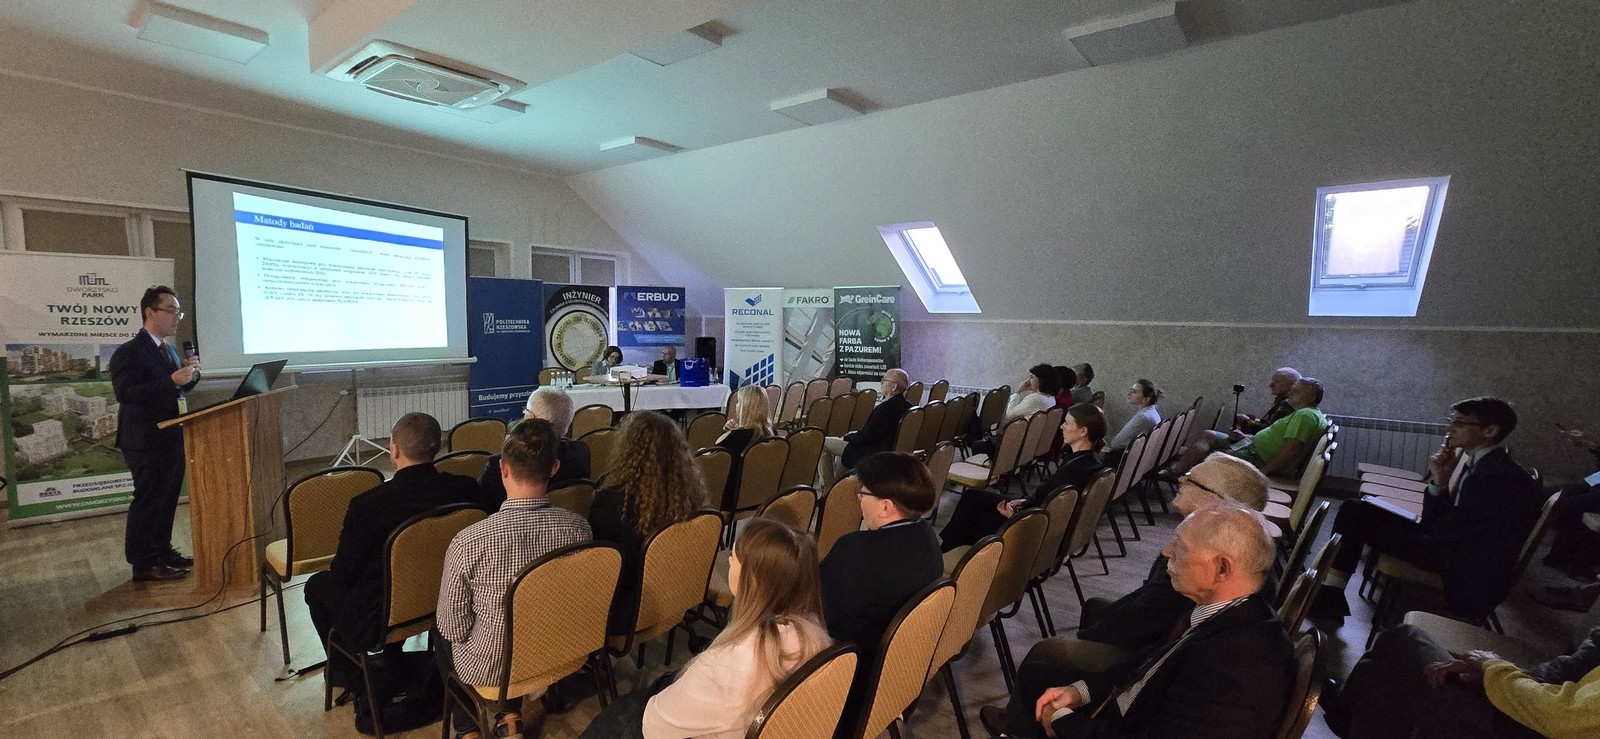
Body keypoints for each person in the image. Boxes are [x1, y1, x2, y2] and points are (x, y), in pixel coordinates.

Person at [987, 505, 1294, 739]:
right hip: (1131, 707)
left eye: (1181, 547)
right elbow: (1148, 667)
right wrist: (1080, 691)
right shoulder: (1231, 611)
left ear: (1222, 568)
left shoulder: (1237, 663)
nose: (1167, 551)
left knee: (1044, 687)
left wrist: (1062, 721)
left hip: (1128, 723)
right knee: (1036, 674)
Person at [577, 518, 832, 739]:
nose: (728, 561)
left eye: (733, 559)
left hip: (665, 721)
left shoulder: (724, 666)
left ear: (751, 580)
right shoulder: (816, 638)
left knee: (615, 717)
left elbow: (655, 727)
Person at [1312, 397, 1545, 622]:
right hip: (1450, 544)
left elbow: (1444, 530)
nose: (1450, 429)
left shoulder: (1492, 476)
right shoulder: (1486, 463)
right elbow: (1446, 521)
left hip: (1462, 564)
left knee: (1356, 516)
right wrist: (1439, 481)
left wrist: (1433, 500)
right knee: (1356, 509)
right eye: (1451, 421)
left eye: (1460, 423)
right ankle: (1331, 595)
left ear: (1490, 430)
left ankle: (1330, 597)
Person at [436, 419, 592, 739]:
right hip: (562, 651)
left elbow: (454, 629)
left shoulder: (468, 542)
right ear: (554, 469)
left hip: (494, 669)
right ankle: (509, 715)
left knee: (440, 630)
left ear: (503, 469)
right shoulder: (579, 529)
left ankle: (469, 728)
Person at [304, 412, 481, 682]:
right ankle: (392, 658)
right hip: (450, 600)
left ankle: (346, 671)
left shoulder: (368, 505)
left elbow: (342, 576)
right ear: (437, 448)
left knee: (317, 585)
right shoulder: (467, 489)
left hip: (383, 618)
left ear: (394, 450)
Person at [1074, 454, 1270, 658]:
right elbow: (1149, 597)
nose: (1181, 479)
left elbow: (1147, 618)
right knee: (1094, 607)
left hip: (1146, 651)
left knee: (1056, 649)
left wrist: (1089, 637)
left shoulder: (1202, 558)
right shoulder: (1204, 538)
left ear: (1215, 500)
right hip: (1146, 631)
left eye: (1191, 479)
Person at [1326, 623, 1600, 739]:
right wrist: (1494, 676)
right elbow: (1569, 671)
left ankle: (1346, 714)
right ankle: (1348, 717)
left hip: (1518, 728)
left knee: (1403, 640)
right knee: (1388, 679)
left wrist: (1494, 670)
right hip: (1524, 710)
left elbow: (1560, 716)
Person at [109, 285, 201, 582]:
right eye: (172, 311)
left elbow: (175, 390)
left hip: (171, 436)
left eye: (179, 312)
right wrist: (171, 381)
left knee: (167, 498)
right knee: (149, 500)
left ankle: (162, 551)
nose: (177, 318)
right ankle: (144, 563)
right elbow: (126, 393)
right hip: (144, 439)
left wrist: (189, 376)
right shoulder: (129, 351)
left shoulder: (169, 350)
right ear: (150, 312)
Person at [588, 411, 707, 636]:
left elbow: (598, 561)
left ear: (627, 450)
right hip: (675, 593)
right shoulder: (690, 495)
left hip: (625, 610)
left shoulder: (612, 501)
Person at [940, 403, 1108, 552]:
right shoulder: (1089, 461)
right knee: (972, 497)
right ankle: (949, 551)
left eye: (1067, 423)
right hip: (1033, 511)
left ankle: (948, 553)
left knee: (971, 515)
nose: (1061, 426)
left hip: (1030, 528)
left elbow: (1052, 511)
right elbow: (1049, 499)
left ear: (1083, 431)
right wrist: (1023, 502)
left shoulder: (1072, 470)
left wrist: (1014, 515)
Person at [819, 452, 943, 653]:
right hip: (897, 654)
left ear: (885, 507)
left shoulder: (855, 550)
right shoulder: (927, 535)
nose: (859, 499)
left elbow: (819, 610)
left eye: (863, 493)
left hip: (849, 657)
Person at [1174, 377, 1327, 477]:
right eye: (1291, 390)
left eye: (1296, 391)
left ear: (1311, 397)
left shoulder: (1305, 415)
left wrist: (1264, 471)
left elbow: (1291, 449)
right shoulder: (1307, 413)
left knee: (1208, 455)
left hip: (1257, 458)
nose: (1289, 393)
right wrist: (1246, 437)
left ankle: (1188, 485)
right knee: (1208, 435)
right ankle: (1178, 472)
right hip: (1252, 446)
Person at [478, 387, 591, 511]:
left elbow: (482, 509)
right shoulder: (581, 452)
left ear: (531, 418)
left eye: (526, 412)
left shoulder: (501, 464)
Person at [820, 368, 912, 485]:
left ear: (893, 386)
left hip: (871, 453)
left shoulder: (885, 409)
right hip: (887, 450)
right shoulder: (907, 405)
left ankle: (828, 486)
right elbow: (875, 432)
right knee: (841, 452)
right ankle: (839, 486)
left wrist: (847, 437)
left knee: (822, 442)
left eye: (884, 380)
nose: (881, 383)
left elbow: (865, 437)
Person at [970, 363, 1059, 457]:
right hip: (1032, 442)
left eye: (1032, 377)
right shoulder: (1051, 398)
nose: (1029, 380)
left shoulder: (1035, 399)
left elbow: (1009, 414)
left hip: (1019, 443)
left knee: (977, 445)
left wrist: (1018, 391)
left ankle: (992, 465)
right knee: (986, 441)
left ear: (1041, 380)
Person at [715, 385, 776, 509]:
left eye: (738, 402)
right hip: (762, 499)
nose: (736, 406)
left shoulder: (732, 438)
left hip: (729, 502)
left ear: (745, 407)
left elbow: (714, 463)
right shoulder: (772, 434)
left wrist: (726, 433)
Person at [1104, 379, 1163, 468]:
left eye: (1134, 392)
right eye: (1131, 390)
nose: (1129, 393)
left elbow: (1116, 443)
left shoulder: (1142, 417)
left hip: (1123, 462)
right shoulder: (1152, 412)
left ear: (1146, 399)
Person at [1235, 367, 1301, 433]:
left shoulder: (1288, 404)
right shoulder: (1284, 400)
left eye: (1276, 381)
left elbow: (1268, 431)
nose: (1270, 385)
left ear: (1291, 385)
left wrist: (1246, 421)